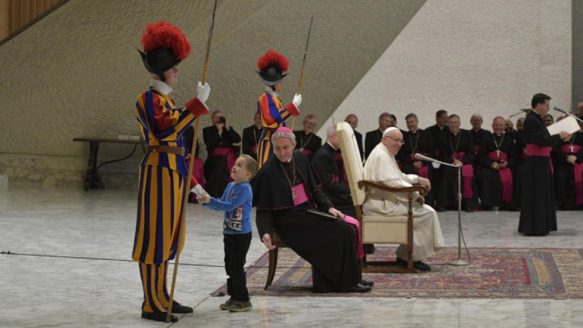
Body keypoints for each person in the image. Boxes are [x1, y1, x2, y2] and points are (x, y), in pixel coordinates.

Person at [133, 21, 211, 322]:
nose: (178, 72)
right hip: (157, 174)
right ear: (163, 69)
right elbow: (166, 130)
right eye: (175, 67)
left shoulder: (166, 100)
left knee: (168, 239)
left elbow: (177, 146)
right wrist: (197, 105)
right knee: (154, 238)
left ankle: (162, 297)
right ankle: (151, 302)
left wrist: (192, 183)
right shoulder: (148, 100)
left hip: (173, 174)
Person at [254, 127, 372, 293]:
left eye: (285, 147)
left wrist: (329, 207)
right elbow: (263, 210)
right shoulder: (268, 171)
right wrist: (265, 232)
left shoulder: (300, 158)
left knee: (346, 228)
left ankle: (351, 279)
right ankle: (344, 283)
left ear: (293, 145)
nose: (281, 152)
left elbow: (316, 190)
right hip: (289, 222)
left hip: (308, 213)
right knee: (340, 230)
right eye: (278, 148)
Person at [363, 127, 445, 271]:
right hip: (381, 204)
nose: (399, 144)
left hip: (385, 198)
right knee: (427, 214)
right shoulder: (381, 156)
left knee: (426, 211)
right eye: (396, 140)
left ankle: (407, 256)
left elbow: (398, 176)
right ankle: (409, 257)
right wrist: (415, 195)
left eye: (401, 141)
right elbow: (392, 183)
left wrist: (418, 178)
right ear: (385, 139)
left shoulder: (384, 152)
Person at [197, 155, 258, 312]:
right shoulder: (230, 185)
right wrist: (206, 202)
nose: (234, 167)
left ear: (247, 175)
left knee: (236, 266)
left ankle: (243, 299)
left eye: (239, 165)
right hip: (229, 233)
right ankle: (234, 296)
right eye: (235, 163)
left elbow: (230, 206)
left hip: (241, 235)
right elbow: (221, 205)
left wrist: (210, 200)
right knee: (229, 266)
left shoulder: (245, 189)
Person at [519, 93, 571, 236]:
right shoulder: (531, 120)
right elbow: (541, 140)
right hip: (535, 162)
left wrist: (562, 138)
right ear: (539, 104)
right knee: (537, 193)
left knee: (542, 193)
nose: (548, 108)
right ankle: (536, 227)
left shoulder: (537, 119)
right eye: (547, 105)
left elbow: (547, 139)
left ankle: (541, 225)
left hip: (541, 161)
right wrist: (559, 136)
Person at [255, 49, 301, 167]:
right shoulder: (265, 99)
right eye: (280, 82)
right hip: (269, 143)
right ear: (273, 84)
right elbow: (272, 119)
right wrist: (292, 106)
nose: (282, 85)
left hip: (277, 142)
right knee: (265, 172)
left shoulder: (274, 99)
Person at [435, 114, 478, 212]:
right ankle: (445, 203)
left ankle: (468, 204)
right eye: (451, 123)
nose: (454, 125)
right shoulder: (443, 136)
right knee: (448, 171)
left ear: (459, 123)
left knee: (467, 171)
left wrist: (462, 161)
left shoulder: (467, 134)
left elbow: (471, 153)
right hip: (449, 163)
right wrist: (452, 161)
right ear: (448, 124)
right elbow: (442, 154)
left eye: (456, 122)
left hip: (465, 162)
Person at [477, 117, 516, 210]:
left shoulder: (509, 140)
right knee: (485, 175)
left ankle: (506, 204)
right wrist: (491, 164)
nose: (498, 127)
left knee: (513, 174)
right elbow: (481, 156)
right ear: (492, 125)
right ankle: (488, 204)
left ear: (504, 127)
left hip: (504, 166)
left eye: (500, 125)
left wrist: (507, 163)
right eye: (496, 125)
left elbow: (514, 157)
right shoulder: (486, 138)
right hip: (490, 166)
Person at [397, 113, 436, 206]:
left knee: (427, 172)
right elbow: (401, 155)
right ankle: (412, 202)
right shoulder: (404, 136)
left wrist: (421, 162)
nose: (410, 124)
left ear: (417, 121)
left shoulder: (426, 134)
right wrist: (412, 162)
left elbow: (432, 152)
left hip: (424, 164)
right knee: (407, 171)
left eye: (412, 122)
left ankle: (427, 202)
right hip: (409, 165)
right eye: (408, 122)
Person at [203, 111, 242, 197]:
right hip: (213, 158)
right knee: (219, 165)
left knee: (221, 166)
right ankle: (221, 194)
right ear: (212, 119)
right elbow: (210, 144)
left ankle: (218, 194)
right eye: (216, 117)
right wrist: (219, 132)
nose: (218, 119)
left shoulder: (228, 129)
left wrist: (227, 128)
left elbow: (237, 139)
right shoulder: (207, 130)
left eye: (220, 117)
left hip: (229, 158)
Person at [554, 128, 583, 210]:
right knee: (561, 179)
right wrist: (566, 158)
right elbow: (555, 149)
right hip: (563, 162)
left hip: (578, 162)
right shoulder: (560, 135)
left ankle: (578, 203)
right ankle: (561, 203)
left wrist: (577, 157)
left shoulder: (581, 135)